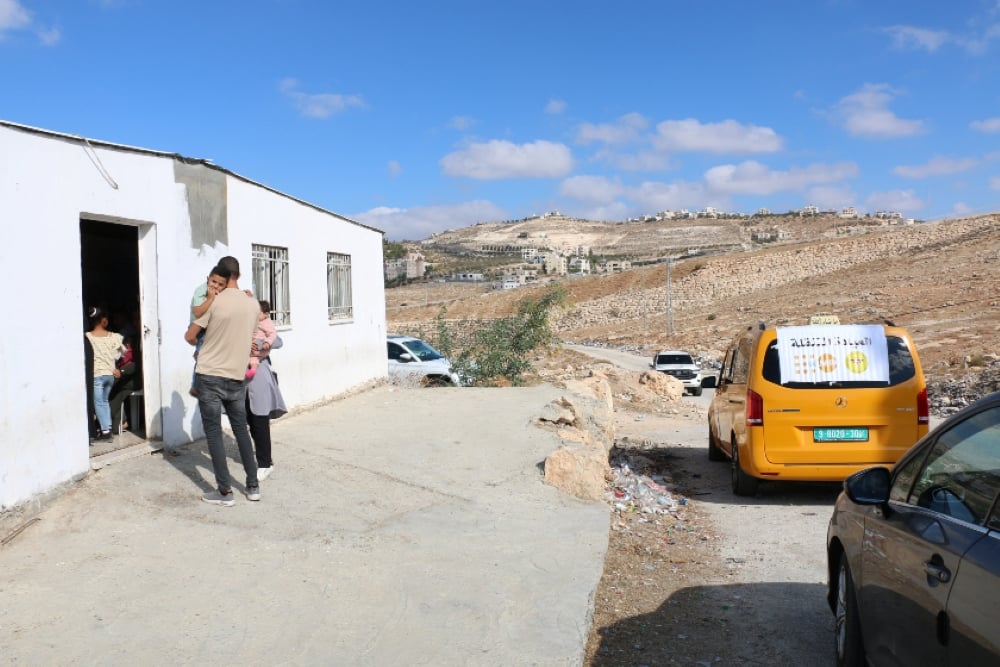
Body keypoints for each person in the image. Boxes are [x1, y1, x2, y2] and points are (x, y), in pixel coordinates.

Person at [184, 262, 261, 506]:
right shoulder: (252, 303)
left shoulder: (214, 301)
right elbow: (249, 337)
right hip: (236, 376)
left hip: (210, 375)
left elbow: (190, 336)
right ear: (239, 275)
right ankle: (252, 486)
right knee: (241, 429)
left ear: (223, 277)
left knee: (215, 432)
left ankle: (225, 492)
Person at [246, 331, 287, 480]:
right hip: (240, 380)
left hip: (259, 380)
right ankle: (264, 458)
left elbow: (278, 341)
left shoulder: (261, 326)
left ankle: (265, 464)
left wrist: (258, 343)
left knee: (260, 421)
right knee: (250, 421)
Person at [85, 306, 125, 442]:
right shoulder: (114, 337)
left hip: (97, 375)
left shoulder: (88, 337)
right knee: (104, 401)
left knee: (98, 402)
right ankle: (107, 428)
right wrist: (114, 363)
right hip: (110, 375)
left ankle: (106, 432)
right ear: (103, 321)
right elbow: (121, 353)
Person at [189, 268, 228, 396]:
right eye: (213, 281)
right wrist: (210, 299)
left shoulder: (223, 293)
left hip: (211, 330)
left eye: (220, 284)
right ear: (208, 279)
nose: (216, 286)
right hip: (200, 329)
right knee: (202, 359)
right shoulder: (201, 291)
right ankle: (196, 386)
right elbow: (198, 312)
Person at [245, 300, 277, 380]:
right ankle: (253, 370)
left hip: (262, 348)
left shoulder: (267, 323)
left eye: (258, 313)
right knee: (253, 359)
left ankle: (252, 370)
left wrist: (267, 342)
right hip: (256, 348)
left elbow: (273, 334)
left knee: (254, 358)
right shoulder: (257, 321)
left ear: (266, 314)